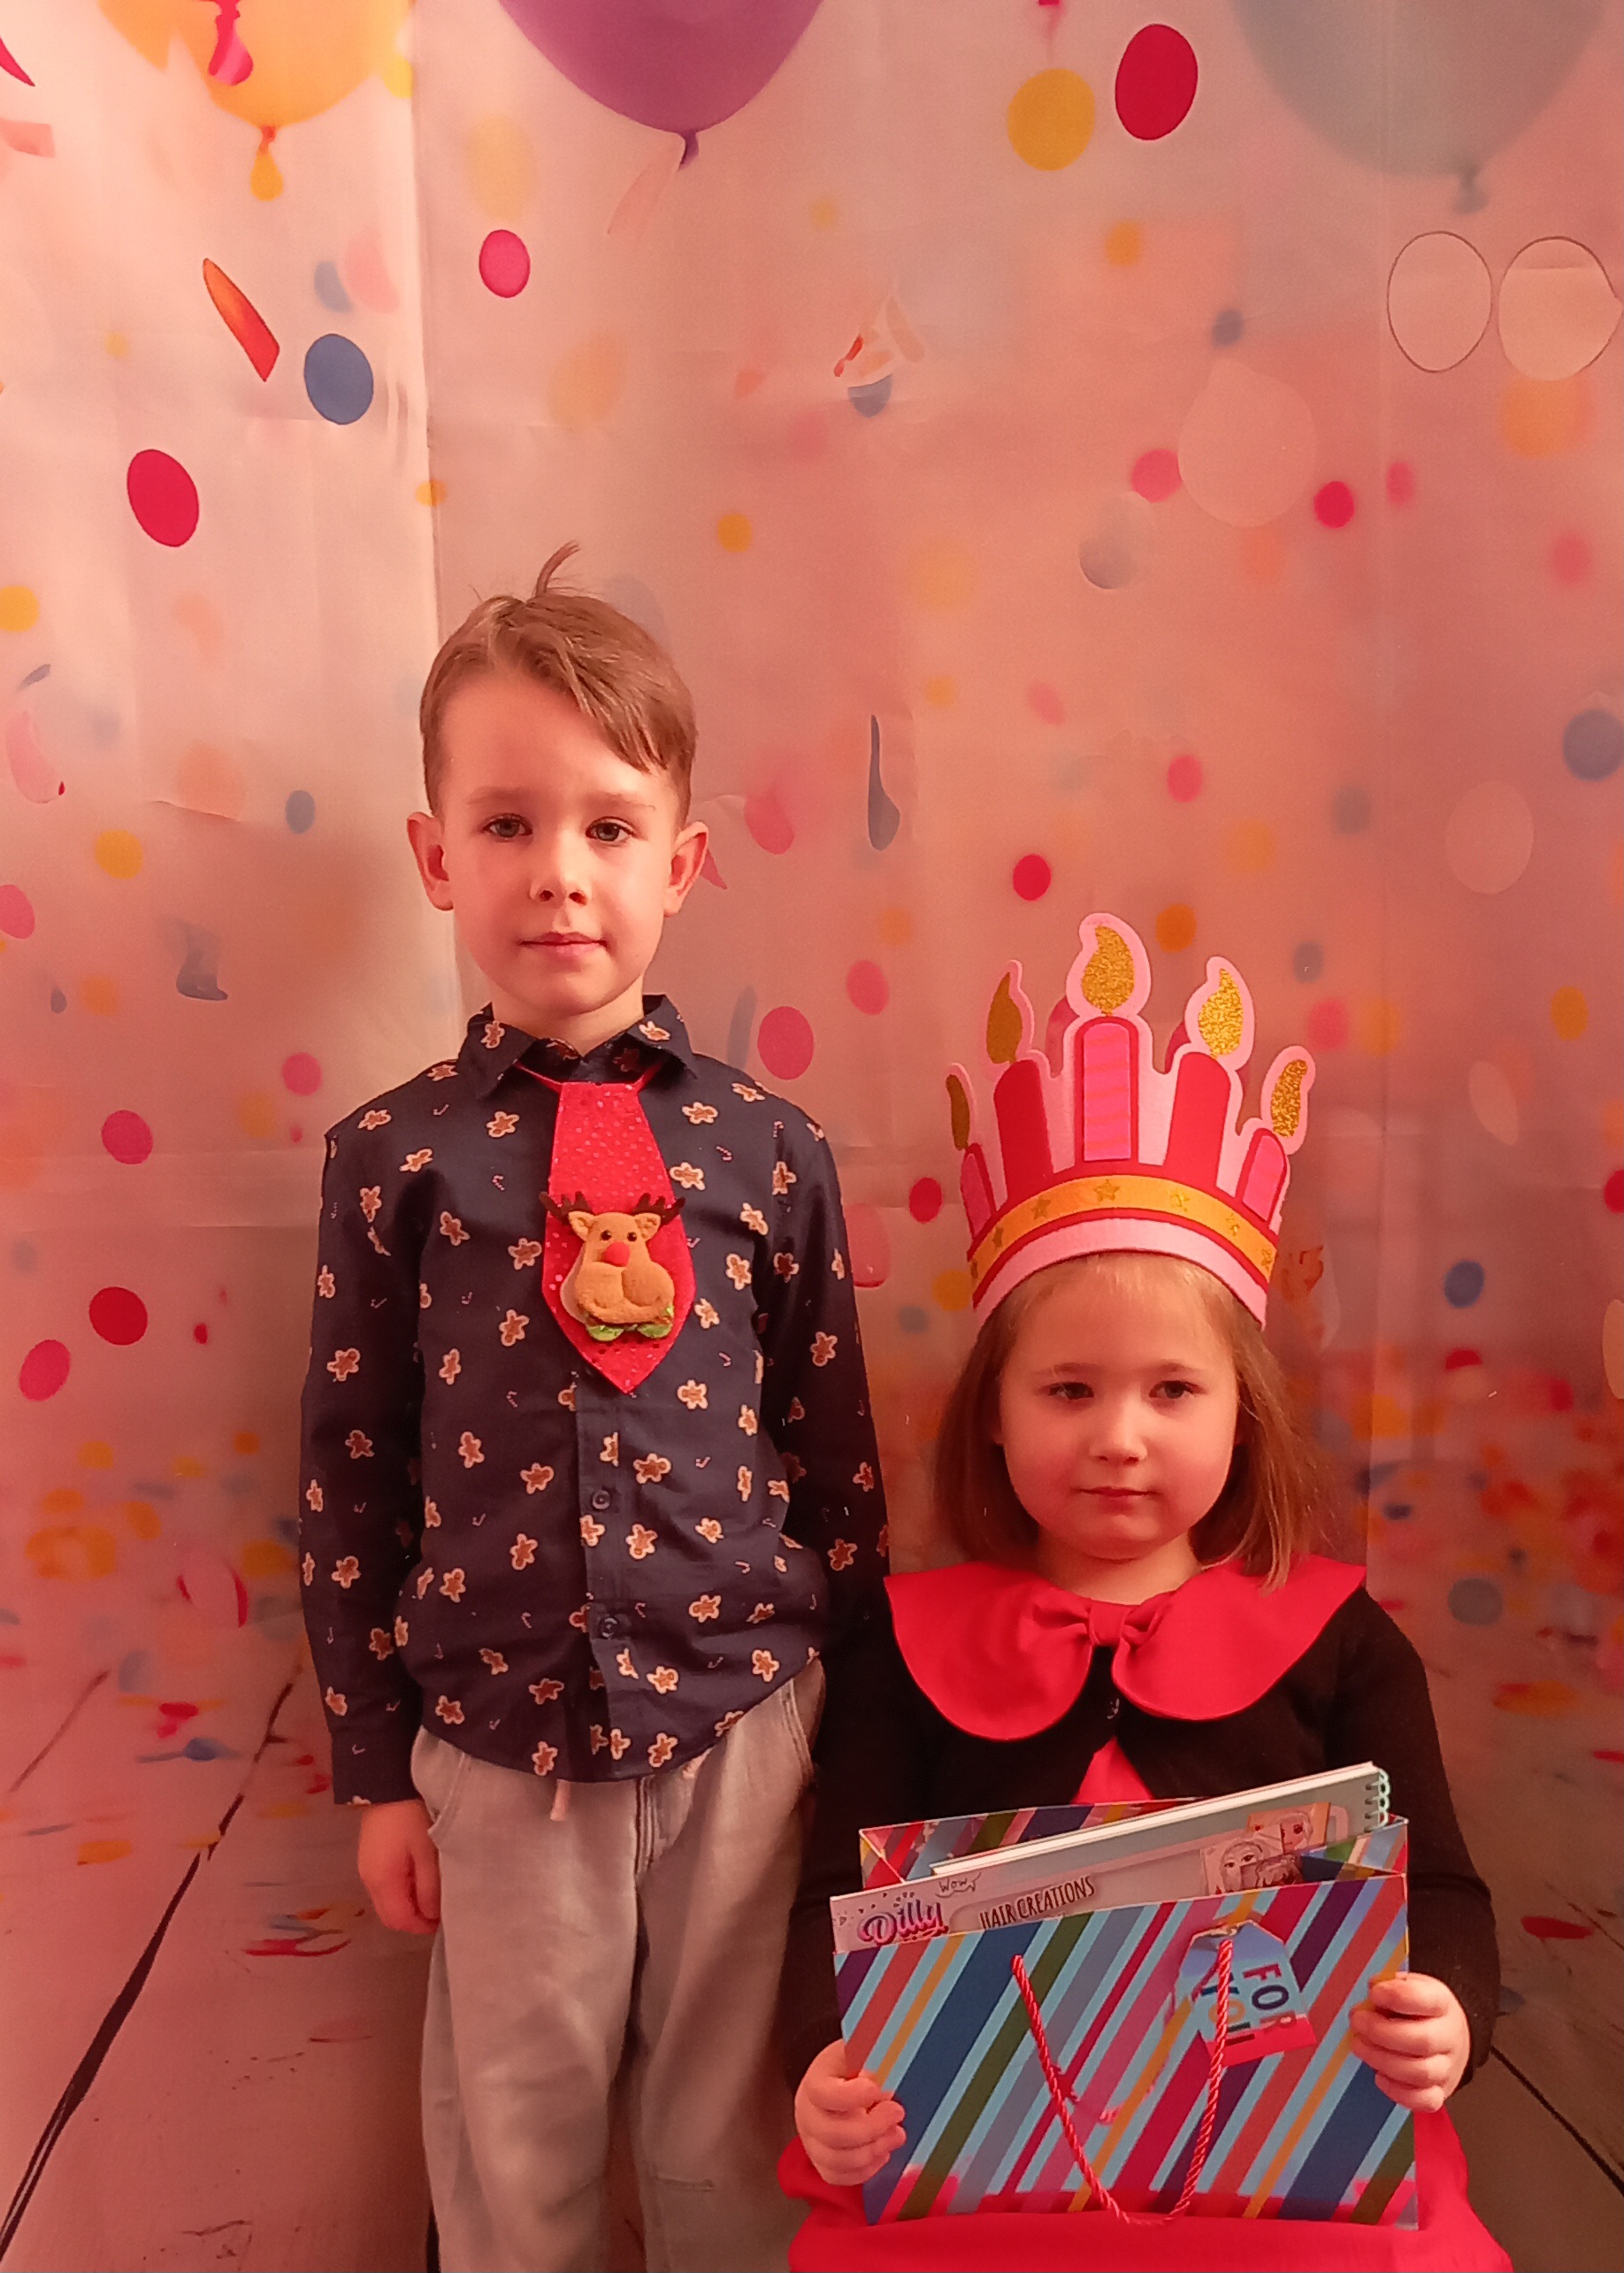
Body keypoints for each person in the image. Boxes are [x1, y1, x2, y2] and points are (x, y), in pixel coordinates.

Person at [298, 548, 885, 2273]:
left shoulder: (772, 1149)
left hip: (746, 1733)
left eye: (610, 826)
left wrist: (855, 1741)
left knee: (730, 2142)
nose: (560, 871)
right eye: (508, 824)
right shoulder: (390, 1159)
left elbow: (834, 1446)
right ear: (437, 857)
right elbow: (347, 1476)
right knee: (516, 2148)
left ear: (680, 863)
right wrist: (376, 1772)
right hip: (497, 1748)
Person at [778, 912, 1507, 2272]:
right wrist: (822, 2060)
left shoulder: (1345, 1641)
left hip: (1287, 2178)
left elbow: (1446, 1889)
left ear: (1244, 1413)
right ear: (995, 1412)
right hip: (985, 2182)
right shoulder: (900, 1646)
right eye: (1069, 1388)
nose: (1120, 1435)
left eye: (1173, 1389)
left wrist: (1446, 2011)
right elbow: (835, 1902)